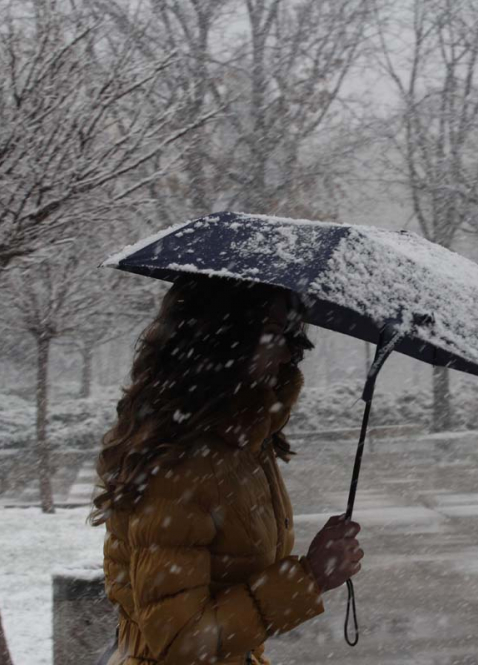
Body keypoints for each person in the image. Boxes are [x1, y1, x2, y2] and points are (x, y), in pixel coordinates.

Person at [89, 277, 363, 665]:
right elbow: (181, 641)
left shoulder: (241, 442)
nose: (286, 355)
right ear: (218, 337)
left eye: (289, 336)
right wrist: (309, 577)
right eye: (271, 334)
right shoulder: (181, 466)